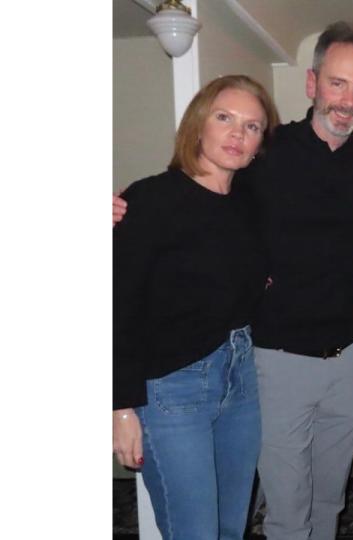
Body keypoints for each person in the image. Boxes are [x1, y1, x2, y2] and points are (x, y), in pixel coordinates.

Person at [115, 21, 353, 540]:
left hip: (348, 358)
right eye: (338, 83)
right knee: (282, 509)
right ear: (313, 83)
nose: (348, 99)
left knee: (325, 499)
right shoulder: (265, 155)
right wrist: (115, 209)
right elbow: (188, 198)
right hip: (272, 362)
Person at [113, 74, 279, 539]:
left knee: (231, 525)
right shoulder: (148, 199)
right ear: (198, 124)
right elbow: (117, 305)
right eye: (224, 118)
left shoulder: (251, 202)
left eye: (252, 126)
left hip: (241, 379)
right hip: (172, 389)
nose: (236, 134)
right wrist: (121, 407)